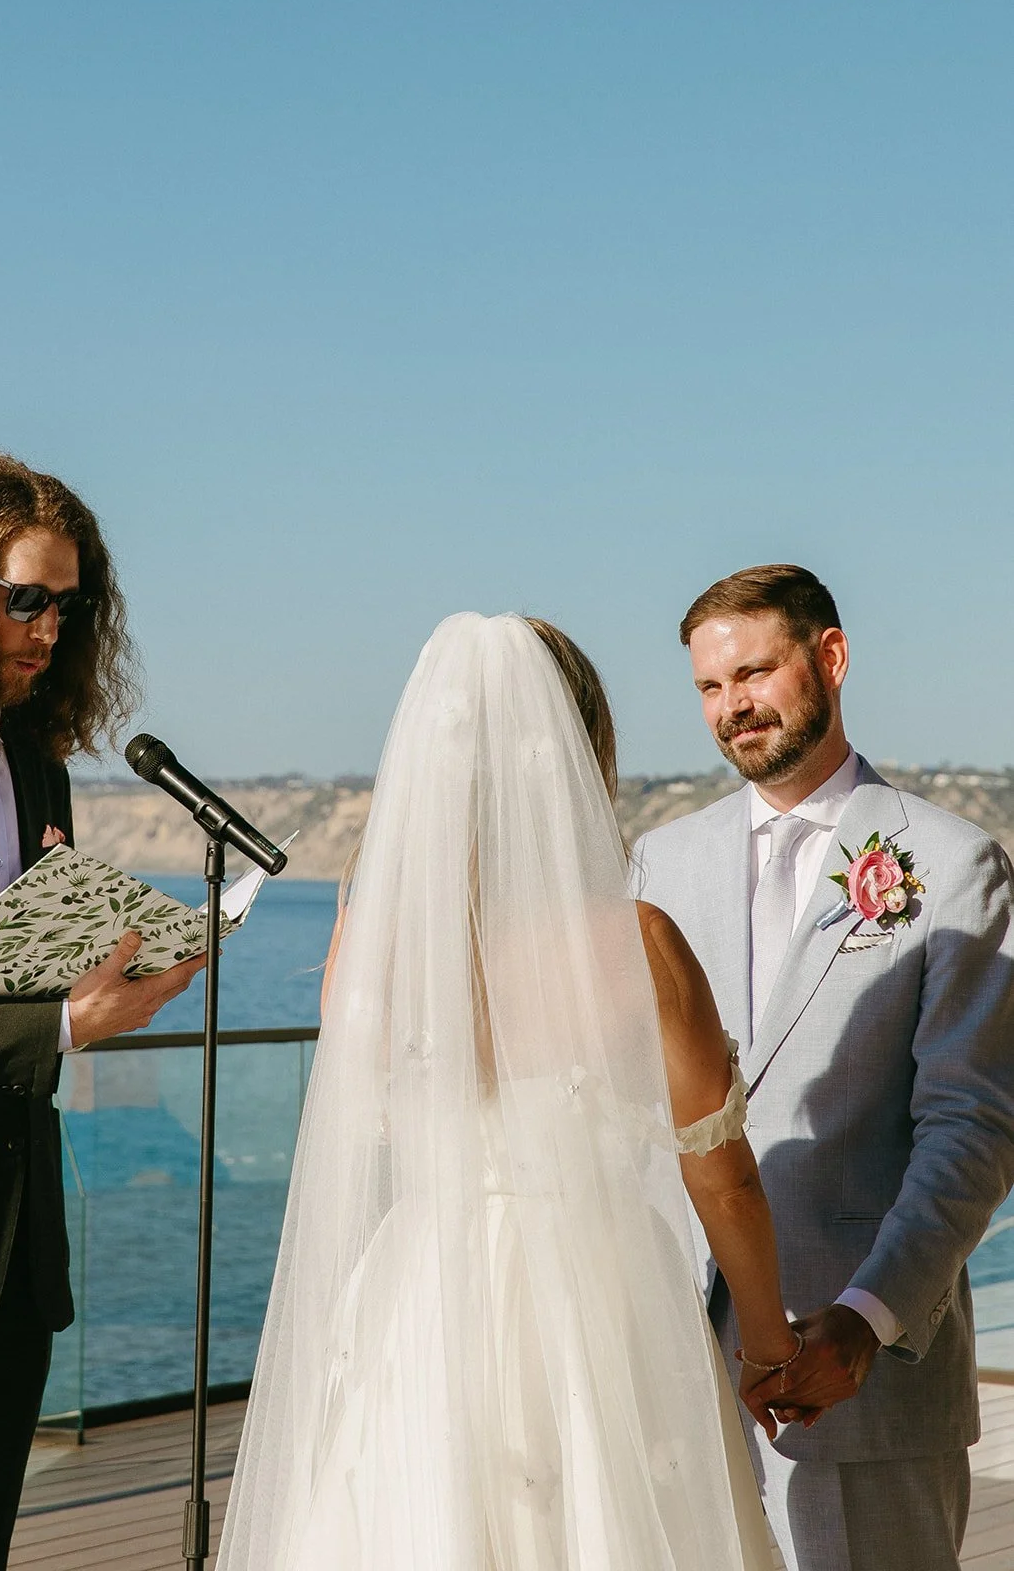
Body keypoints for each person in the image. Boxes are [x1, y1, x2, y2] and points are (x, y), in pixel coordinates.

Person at [218, 610, 812, 1571]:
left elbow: (348, 1121)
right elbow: (723, 1181)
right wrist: (768, 1345)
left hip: (420, 1290)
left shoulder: (372, 939)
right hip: (595, 1296)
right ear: (578, 754)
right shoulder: (638, 943)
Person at [632, 564, 1014, 1571]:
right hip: (675, 1372)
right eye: (709, 688)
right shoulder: (658, 866)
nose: (732, 708)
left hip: (861, 1377)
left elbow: (971, 1127)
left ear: (829, 657)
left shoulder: (953, 861)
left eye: (753, 673)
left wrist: (862, 1322)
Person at [0, 452, 207, 1571]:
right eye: (25, 599)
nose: (49, 627)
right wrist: (63, 1025)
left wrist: (97, 964)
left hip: (14, 1259)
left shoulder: (37, 763)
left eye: (69, 604)